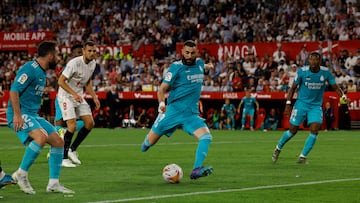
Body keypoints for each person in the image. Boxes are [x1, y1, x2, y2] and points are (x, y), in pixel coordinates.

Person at [7, 41, 74, 194]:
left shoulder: (42, 72)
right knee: (41, 137)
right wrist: (17, 115)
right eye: (56, 55)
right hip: (20, 113)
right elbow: (14, 91)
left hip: (31, 114)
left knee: (58, 141)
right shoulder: (30, 68)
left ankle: (53, 183)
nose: (57, 58)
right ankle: (21, 174)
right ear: (50, 55)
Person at [140, 40, 214, 180]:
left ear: (196, 52)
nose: (189, 55)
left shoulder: (199, 64)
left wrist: (209, 66)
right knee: (146, 145)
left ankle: (196, 170)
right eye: (187, 52)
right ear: (182, 52)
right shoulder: (175, 67)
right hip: (172, 112)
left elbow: (203, 67)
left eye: (192, 53)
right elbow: (162, 89)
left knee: (206, 137)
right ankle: (147, 142)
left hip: (190, 115)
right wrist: (162, 104)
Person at [272, 52, 347, 164]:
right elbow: (292, 88)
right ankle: (278, 148)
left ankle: (303, 156)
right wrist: (288, 104)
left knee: (315, 129)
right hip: (301, 104)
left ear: (319, 61)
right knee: (293, 130)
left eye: (316, 59)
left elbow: (335, 87)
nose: (313, 62)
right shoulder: (302, 71)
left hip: (316, 106)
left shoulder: (326, 73)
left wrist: (343, 96)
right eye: (311, 59)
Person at [57, 40, 101, 167]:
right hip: (66, 96)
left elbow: (87, 82)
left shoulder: (93, 63)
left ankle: (72, 149)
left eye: (94, 51)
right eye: (90, 51)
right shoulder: (74, 63)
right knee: (71, 125)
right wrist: (74, 94)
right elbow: (61, 81)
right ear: (83, 51)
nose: (92, 53)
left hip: (78, 96)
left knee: (90, 123)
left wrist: (94, 97)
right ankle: (63, 158)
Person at [52, 44, 85, 167]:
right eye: (77, 52)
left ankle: (61, 150)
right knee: (60, 124)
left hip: (73, 99)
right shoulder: (70, 65)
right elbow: (60, 81)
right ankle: (59, 152)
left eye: (81, 52)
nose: (80, 55)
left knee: (80, 123)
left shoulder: (83, 66)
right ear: (72, 54)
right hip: (63, 98)